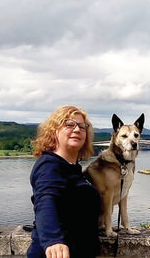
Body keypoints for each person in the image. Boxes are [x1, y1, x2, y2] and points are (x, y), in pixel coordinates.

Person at [27, 105, 101, 258]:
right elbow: (45, 200)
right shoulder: (49, 165)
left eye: (82, 126)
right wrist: (52, 239)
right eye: (69, 124)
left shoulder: (73, 168)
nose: (77, 130)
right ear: (54, 131)